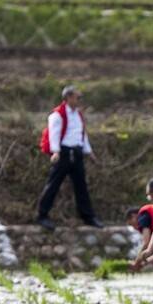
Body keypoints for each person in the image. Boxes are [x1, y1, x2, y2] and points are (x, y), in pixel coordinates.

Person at [36, 85, 102, 230]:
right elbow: (54, 134)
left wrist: (89, 152)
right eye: (77, 97)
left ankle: (88, 216)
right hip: (64, 153)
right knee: (53, 184)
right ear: (68, 98)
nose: (79, 100)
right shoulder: (57, 115)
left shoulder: (78, 115)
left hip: (76, 153)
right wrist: (55, 151)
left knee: (81, 186)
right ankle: (42, 214)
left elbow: (82, 134)